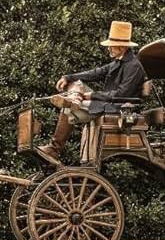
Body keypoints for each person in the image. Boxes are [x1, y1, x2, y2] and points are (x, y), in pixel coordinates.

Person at [36, 21, 146, 164]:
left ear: (123, 46)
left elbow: (121, 94)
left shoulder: (134, 66)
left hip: (117, 108)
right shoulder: (118, 62)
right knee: (76, 85)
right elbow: (94, 73)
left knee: (69, 107)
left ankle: (55, 147)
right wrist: (68, 77)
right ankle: (73, 100)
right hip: (105, 103)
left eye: (111, 45)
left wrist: (92, 95)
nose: (109, 49)